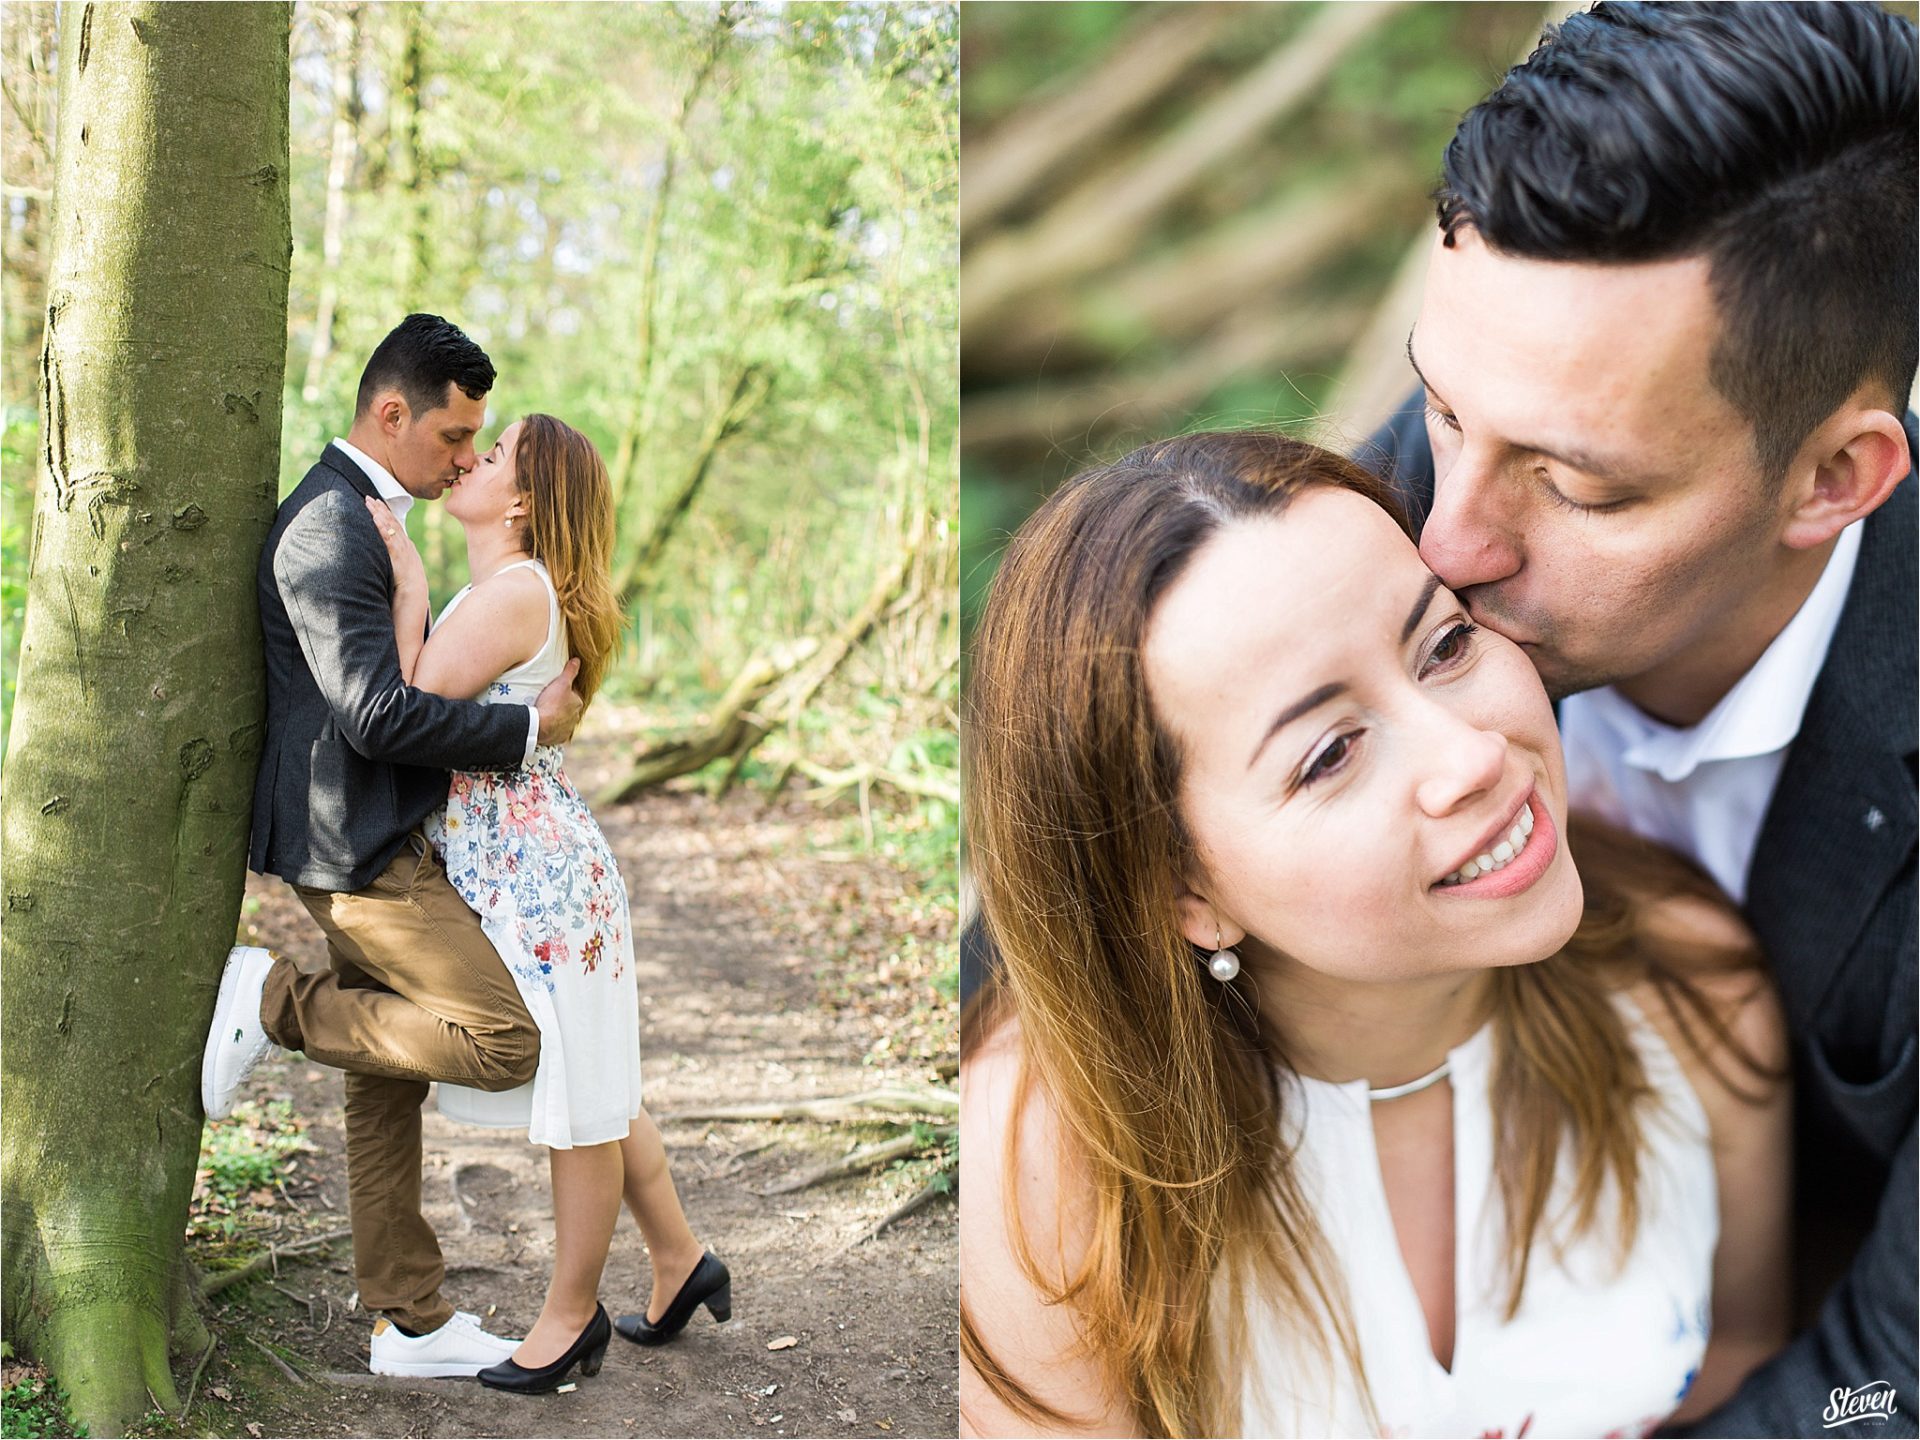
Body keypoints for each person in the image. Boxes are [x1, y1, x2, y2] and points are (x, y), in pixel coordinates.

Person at [958, 431, 1790, 1438]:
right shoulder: (1040, 1161)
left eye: (1444, 646)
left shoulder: (1686, 975)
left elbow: (1750, 1365)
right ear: (1183, 891)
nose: (1473, 755)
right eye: (1332, 754)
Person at [1363, 5, 1915, 1432]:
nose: (1448, 546)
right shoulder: (1413, 504)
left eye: (1583, 489)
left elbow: (1890, 1382)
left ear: (1833, 481)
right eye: (1440, 411)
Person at [202, 314, 583, 1377]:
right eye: (457, 439)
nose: (467, 459)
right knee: (504, 1040)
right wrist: (526, 731)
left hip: (376, 833)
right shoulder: (330, 528)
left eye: (477, 444)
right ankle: (272, 999)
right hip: (355, 846)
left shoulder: (367, 520)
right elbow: (376, 716)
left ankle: (409, 1322)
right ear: (393, 413)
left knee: (385, 1082)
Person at [359, 413, 730, 1394]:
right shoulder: (519, 589)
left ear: (523, 500)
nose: (472, 457)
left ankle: (568, 1323)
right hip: (545, 875)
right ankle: (679, 1258)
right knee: (599, 1086)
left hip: (539, 886)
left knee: (579, 1101)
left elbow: (404, 709)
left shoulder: (517, 592)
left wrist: (407, 584)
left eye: (498, 451)